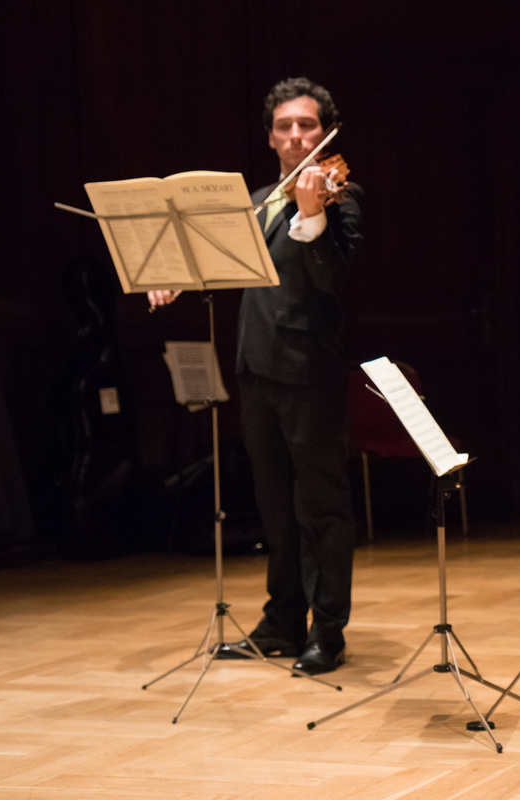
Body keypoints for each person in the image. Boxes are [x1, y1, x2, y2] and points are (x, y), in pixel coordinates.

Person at [149, 77, 363, 675]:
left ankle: (328, 632)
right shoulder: (260, 198)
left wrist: (313, 215)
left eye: (307, 125)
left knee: (320, 507)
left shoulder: (342, 194)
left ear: (324, 132)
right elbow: (218, 259)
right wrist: (175, 275)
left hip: (309, 374)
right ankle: (282, 622)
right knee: (274, 508)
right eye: (284, 126)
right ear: (270, 137)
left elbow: (330, 278)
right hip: (255, 367)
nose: (296, 136)